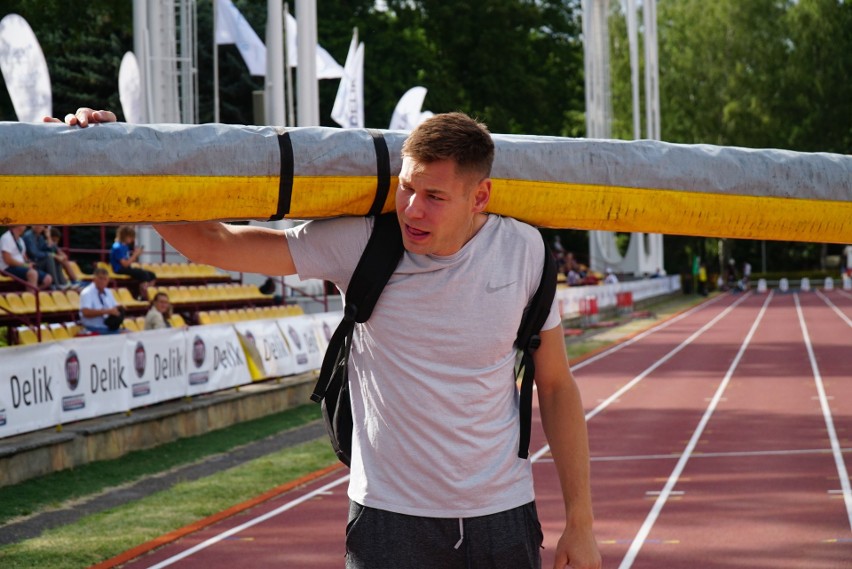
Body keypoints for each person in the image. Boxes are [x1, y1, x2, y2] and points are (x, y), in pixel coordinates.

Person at [50, 108, 601, 569]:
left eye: (434, 196)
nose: (412, 208)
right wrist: (117, 151)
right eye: (407, 188)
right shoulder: (362, 241)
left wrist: (581, 523)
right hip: (389, 519)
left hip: (501, 516)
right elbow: (214, 242)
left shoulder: (526, 251)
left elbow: (554, 387)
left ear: (480, 197)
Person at [22, 225, 82, 290]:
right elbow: (34, 253)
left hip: (39, 262)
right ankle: (56, 285)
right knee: (50, 258)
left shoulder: (40, 237)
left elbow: (51, 249)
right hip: (32, 263)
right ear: (32, 226)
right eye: (37, 225)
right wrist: (51, 255)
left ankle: (63, 283)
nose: (40, 227)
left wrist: (48, 237)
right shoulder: (28, 236)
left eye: (41, 226)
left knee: (56, 259)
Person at [0, 225, 53, 290]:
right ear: (18, 225)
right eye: (24, 224)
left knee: (48, 279)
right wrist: (25, 265)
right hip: (7, 267)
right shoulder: (6, 238)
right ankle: (32, 297)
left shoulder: (20, 240)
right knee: (33, 274)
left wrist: (29, 263)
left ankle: (29, 295)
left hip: (20, 266)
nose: (25, 226)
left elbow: (24, 256)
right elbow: (7, 260)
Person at [110, 225, 156, 299]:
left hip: (126, 268)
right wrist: (135, 255)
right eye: (131, 237)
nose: (132, 239)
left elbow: (128, 261)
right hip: (119, 269)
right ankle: (143, 295)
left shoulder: (125, 246)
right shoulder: (117, 247)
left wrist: (136, 255)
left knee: (152, 275)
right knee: (143, 274)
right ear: (125, 236)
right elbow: (124, 264)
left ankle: (147, 292)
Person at [79, 266, 125, 334]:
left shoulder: (108, 291)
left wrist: (118, 309)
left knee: (130, 334)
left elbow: (114, 306)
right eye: (100, 278)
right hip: (94, 327)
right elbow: (85, 312)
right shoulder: (87, 293)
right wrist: (107, 311)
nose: (103, 281)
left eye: (105, 279)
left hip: (109, 326)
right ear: (94, 279)